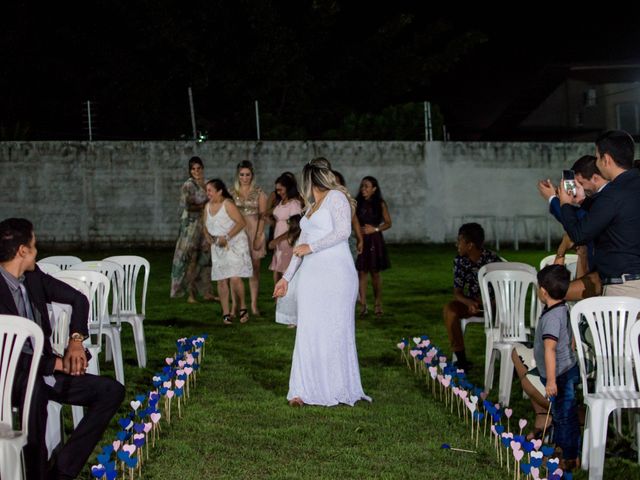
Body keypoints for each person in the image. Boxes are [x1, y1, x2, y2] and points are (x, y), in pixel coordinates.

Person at [0, 218, 125, 480]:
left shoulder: (32, 277)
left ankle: (61, 472)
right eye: (34, 245)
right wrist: (55, 364)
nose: (37, 251)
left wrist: (76, 342)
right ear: (23, 250)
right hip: (10, 379)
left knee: (110, 391)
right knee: (34, 393)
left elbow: (77, 298)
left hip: (46, 371)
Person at [273, 158, 370, 407]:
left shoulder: (336, 197)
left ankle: (337, 387)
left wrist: (311, 247)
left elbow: (342, 232)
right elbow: (299, 247)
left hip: (336, 274)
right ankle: (301, 389)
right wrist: (285, 278)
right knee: (308, 330)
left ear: (309, 180)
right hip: (311, 277)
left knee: (334, 330)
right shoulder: (311, 208)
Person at [559, 130, 640, 298]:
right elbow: (616, 212)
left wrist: (565, 204)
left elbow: (579, 235)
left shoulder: (614, 193)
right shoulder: (630, 186)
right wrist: (583, 201)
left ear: (606, 159)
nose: (596, 162)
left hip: (624, 286)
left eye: (597, 157)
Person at [533, 265, 580, 471]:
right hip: (565, 370)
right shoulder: (561, 308)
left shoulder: (552, 317)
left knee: (564, 415)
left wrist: (551, 380)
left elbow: (550, 349)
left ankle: (567, 457)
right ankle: (566, 451)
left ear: (543, 292)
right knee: (564, 413)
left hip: (559, 375)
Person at [442, 222, 500, 370]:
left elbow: (503, 290)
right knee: (450, 310)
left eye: (459, 241)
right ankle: (461, 360)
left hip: (495, 307)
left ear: (470, 245)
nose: (457, 245)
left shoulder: (492, 260)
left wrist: (489, 304)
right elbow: (457, 292)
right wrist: (468, 303)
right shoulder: (460, 261)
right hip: (473, 304)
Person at [204, 179, 253, 324]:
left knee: (235, 278)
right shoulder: (206, 207)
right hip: (218, 246)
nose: (207, 193)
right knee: (221, 279)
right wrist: (209, 238)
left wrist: (227, 237)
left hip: (235, 243)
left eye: (210, 190)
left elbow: (241, 222)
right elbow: (205, 227)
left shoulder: (228, 204)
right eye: (206, 190)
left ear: (219, 191)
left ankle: (243, 308)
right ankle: (226, 313)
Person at [170, 156, 215, 303]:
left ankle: (207, 292)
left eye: (199, 168)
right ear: (190, 171)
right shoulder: (188, 185)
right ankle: (191, 294)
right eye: (193, 169)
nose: (197, 171)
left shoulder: (208, 183)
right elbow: (188, 206)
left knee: (207, 259)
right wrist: (204, 206)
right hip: (191, 226)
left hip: (207, 224)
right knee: (192, 259)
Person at [232, 161, 267, 316]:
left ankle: (253, 305)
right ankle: (236, 305)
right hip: (238, 233)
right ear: (237, 175)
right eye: (242, 175)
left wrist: (259, 236)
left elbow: (263, 217)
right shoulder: (231, 192)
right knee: (236, 271)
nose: (245, 178)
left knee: (254, 270)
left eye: (247, 174)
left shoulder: (259, 192)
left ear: (252, 175)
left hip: (254, 232)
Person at [355, 176, 391, 317]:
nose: (363, 189)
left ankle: (377, 303)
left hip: (375, 240)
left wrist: (375, 229)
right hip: (361, 238)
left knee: (375, 272)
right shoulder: (357, 203)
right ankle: (363, 304)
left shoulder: (380, 204)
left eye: (367, 186)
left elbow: (388, 223)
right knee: (361, 271)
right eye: (362, 186)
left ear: (374, 189)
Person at [269, 174, 303, 283]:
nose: (278, 192)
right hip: (279, 243)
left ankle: (288, 298)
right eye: (277, 190)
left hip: (288, 241)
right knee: (278, 270)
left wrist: (277, 240)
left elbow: (295, 227)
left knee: (286, 272)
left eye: (280, 190)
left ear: (288, 188)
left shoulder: (294, 204)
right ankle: (278, 299)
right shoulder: (281, 202)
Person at [273, 214, 302, 327]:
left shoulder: (299, 237)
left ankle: (296, 318)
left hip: (300, 268)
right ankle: (293, 318)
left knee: (295, 292)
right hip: (295, 265)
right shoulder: (295, 236)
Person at [333, 170, 364, 262]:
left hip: (347, 239)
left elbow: (354, 219)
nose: (334, 184)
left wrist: (360, 239)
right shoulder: (322, 200)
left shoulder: (346, 199)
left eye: (337, 182)